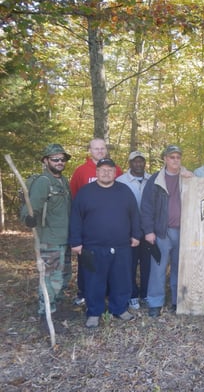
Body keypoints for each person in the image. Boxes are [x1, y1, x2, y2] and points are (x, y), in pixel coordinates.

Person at [69, 158, 141, 328]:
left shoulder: (124, 191)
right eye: (102, 169)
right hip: (93, 247)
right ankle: (94, 312)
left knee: (121, 280)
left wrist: (136, 235)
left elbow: (135, 216)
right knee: (94, 281)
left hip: (121, 246)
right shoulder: (85, 193)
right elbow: (75, 219)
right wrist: (75, 241)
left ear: (115, 172)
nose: (106, 172)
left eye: (110, 169)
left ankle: (120, 309)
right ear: (97, 172)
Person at [69, 138, 123, 306]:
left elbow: (121, 193)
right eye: (96, 148)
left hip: (111, 228)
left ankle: (107, 293)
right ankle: (84, 292)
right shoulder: (81, 171)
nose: (99, 151)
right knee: (87, 262)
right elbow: (74, 197)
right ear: (90, 150)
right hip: (88, 228)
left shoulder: (117, 170)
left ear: (106, 150)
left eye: (102, 148)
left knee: (109, 263)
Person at [22, 144, 72, 325]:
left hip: (64, 238)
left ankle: (57, 308)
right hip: (50, 240)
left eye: (62, 159)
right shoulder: (43, 182)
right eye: (55, 159)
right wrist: (29, 218)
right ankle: (47, 316)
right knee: (52, 280)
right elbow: (29, 208)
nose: (60, 162)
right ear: (45, 160)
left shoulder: (63, 181)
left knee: (64, 277)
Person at [141, 145, 192, 317]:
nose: (175, 160)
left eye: (178, 157)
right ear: (165, 159)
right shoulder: (155, 180)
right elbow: (146, 207)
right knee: (158, 268)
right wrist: (148, 231)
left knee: (181, 268)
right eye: (172, 157)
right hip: (162, 232)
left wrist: (192, 177)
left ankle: (179, 302)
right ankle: (155, 302)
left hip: (185, 232)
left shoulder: (188, 177)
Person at [116, 151, 152, 310]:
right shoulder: (120, 181)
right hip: (128, 230)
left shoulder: (152, 179)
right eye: (135, 161)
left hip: (148, 229)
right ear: (129, 163)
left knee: (148, 264)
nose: (138, 164)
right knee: (129, 264)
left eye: (141, 161)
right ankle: (132, 295)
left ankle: (145, 293)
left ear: (145, 163)